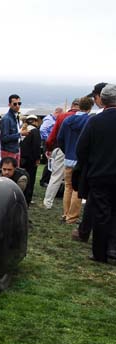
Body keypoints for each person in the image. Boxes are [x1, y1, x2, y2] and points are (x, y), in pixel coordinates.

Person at [75, 83, 116, 263]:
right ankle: (113, 248)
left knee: (101, 213)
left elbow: (81, 149)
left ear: (103, 100)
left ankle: (100, 253)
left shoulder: (95, 121)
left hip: (100, 174)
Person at [57, 96, 93, 224]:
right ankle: (72, 217)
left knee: (68, 187)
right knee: (78, 188)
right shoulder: (89, 121)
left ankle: (66, 213)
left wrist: (66, 150)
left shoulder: (67, 120)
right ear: (90, 107)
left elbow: (60, 138)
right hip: (81, 159)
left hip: (68, 158)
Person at [43, 99, 80, 210]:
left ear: (72, 105)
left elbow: (53, 135)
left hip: (62, 149)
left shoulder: (62, 116)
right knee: (75, 180)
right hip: (78, 151)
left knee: (56, 177)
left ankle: (48, 202)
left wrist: (49, 148)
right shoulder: (85, 118)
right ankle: (73, 206)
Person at [38, 107, 63, 186]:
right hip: (48, 142)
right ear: (58, 113)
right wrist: (49, 138)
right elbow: (42, 130)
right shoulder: (49, 120)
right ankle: (44, 181)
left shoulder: (52, 119)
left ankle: (47, 180)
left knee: (51, 162)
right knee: (50, 162)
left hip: (50, 142)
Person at [20, 115, 41, 205]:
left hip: (22, 158)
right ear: (35, 121)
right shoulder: (35, 131)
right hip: (31, 159)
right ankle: (28, 198)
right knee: (30, 179)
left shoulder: (23, 131)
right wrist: (37, 158)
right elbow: (36, 146)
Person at [0, 94, 26, 164]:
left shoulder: (15, 117)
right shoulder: (6, 119)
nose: (17, 106)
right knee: (8, 173)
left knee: (16, 172)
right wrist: (20, 134)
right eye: (15, 104)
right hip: (8, 151)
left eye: (19, 103)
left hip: (15, 150)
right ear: (9, 105)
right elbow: (4, 138)